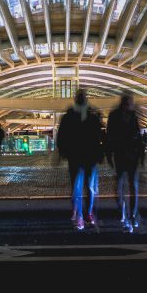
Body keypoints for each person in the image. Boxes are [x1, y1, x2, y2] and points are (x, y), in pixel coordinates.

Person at [56, 89, 104, 231]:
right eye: (80, 97)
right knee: (78, 188)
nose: (82, 99)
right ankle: (80, 214)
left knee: (87, 187)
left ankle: (86, 214)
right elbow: (62, 135)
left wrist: (100, 153)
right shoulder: (70, 115)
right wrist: (62, 151)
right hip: (76, 156)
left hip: (88, 156)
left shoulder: (91, 115)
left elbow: (99, 136)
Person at [106, 91, 144, 232]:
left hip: (131, 156)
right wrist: (109, 154)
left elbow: (138, 136)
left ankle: (132, 215)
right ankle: (124, 212)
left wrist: (141, 156)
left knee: (131, 186)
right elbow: (109, 136)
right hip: (121, 155)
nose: (129, 105)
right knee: (122, 186)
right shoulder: (115, 116)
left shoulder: (132, 116)